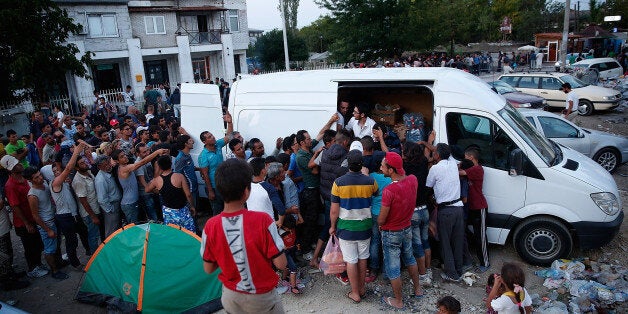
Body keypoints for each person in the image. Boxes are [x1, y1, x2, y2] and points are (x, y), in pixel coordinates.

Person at [201, 158, 287, 313]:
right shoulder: (263, 220)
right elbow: (281, 264)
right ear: (246, 191)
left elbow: (208, 268)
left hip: (231, 296)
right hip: (261, 296)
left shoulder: (210, 226)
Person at [329, 150, 378, 304]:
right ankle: (362, 289)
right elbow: (375, 194)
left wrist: (332, 226)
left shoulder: (338, 183)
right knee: (363, 258)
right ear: (362, 164)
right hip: (365, 226)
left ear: (347, 164)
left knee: (351, 260)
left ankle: (355, 292)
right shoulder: (370, 181)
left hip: (346, 228)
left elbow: (334, 210)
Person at [378, 152, 422, 309]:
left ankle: (398, 300)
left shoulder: (389, 191)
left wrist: (379, 223)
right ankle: (418, 289)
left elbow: (382, 218)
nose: (380, 168)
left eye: (383, 166)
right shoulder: (413, 180)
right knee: (410, 258)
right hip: (407, 227)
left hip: (391, 232)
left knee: (393, 267)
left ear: (390, 170)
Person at [426, 143, 465, 282]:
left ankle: (451, 274)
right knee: (457, 241)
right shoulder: (453, 164)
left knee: (445, 243)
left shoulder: (435, 169)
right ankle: (459, 269)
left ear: (437, 155)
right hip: (459, 207)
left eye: (434, 152)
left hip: (446, 210)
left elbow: (428, 187)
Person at [23, 167, 69, 280]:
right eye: (36, 177)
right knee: (49, 249)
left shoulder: (44, 183)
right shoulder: (32, 195)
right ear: (30, 180)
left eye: (39, 175)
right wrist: (47, 230)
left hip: (54, 218)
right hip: (47, 223)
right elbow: (35, 216)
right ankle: (54, 270)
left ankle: (59, 262)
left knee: (56, 245)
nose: (40, 178)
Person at [50, 142, 85, 270]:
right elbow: (68, 169)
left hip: (73, 214)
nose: (57, 172)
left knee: (77, 238)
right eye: (54, 171)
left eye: (57, 170)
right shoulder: (55, 183)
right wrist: (75, 153)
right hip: (65, 217)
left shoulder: (64, 182)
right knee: (71, 241)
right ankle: (75, 264)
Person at [113, 148, 166, 224]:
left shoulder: (124, 167)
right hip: (129, 204)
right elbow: (142, 162)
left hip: (132, 203)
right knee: (133, 228)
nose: (125, 157)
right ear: (117, 161)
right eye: (121, 157)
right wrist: (156, 152)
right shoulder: (124, 169)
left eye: (124, 154)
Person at [459, 147, 490, 272]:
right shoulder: (471, 168)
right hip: (471, 207)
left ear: (471, 157)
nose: (464, 159)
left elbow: (460, 173)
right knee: (472, 234)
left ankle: (485, 263)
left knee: (480, 236)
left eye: (465, 157)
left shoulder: (477, 169)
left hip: (479, 207)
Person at [146, 156, 196, 232]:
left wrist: (159, 190)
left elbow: (147, 189)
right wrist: (192, 206)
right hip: (182, 210)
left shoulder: (156, 180)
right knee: (188, 233)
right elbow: (188, 194)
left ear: (159, 166)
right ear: (171, 163)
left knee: (172, 233)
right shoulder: (179, 176)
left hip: (168, 212)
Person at [198, 112, 233, 216]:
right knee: (217, 212)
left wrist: (229, 123)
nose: (212, 137)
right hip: (214, 187)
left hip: (223, 184)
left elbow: (230, 137)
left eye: (212, 135)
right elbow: (205, 174)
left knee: (228, 209)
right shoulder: (203, 156)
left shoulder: (217, 145)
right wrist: (210, 191)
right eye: (209, 137)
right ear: (204, 142)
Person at [72, 156, 103, 254]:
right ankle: (94, 257)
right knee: (94, 235)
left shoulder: (88, 172)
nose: (85, 163)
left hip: (96, 208)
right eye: (81, 163)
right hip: (89, 213)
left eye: (84, 161)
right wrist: (93, 216)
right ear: (77, 168)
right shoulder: (78, 181)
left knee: (98, 233)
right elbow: (83, 201)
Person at [94, 155, 122, 237]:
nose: (108, 166)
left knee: (117, 229)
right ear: (99, 167)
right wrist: (110, 210)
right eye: (105, 165)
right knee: (112, 231)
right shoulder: (100, 180)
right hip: (111, 208)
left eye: (108, 163)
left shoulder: (109, 172)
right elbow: (102, 199)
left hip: (116, 205)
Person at [174, 135, 199, 208]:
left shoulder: (187, 155)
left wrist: (201, 169)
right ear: (186, 144)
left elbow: (189, 168)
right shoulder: (180, 158)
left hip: (194, 187)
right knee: (192, 209)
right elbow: (178, 175)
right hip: (189, 190)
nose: (192, 142)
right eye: (190, 141)